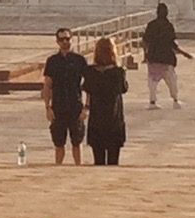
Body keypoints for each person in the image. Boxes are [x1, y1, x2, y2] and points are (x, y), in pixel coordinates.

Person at [82, 35, 133, 165]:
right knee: (113, 161)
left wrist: (86, 107)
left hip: (97, 119)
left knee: (98, 160)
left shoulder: (90, 72)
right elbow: (124, 89)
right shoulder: (118, 72)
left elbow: (87, 89)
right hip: (114, 119)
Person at [41, 28, 89, 164]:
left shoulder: (80, 60)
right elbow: (47, 85)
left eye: (67, 39)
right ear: (57, 42)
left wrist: (86, 107)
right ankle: (58, 169)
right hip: (58, 107)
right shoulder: (52, 61)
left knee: (77, 142)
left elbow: (89, 84)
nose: (65, 42)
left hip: (75, 106)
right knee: (58, 143)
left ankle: (78, 168)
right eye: (62, 39)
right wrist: (47, 107)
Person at [142, 2, 191, 106]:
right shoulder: (168, 26)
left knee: (152, 81)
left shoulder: (151, 25)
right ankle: (175, 100)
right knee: (171, 80)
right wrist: (184, 53)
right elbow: (172, 44)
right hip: (166, 57)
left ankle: (152, 102)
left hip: (153, 57)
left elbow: (145, 41)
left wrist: (145, 55)